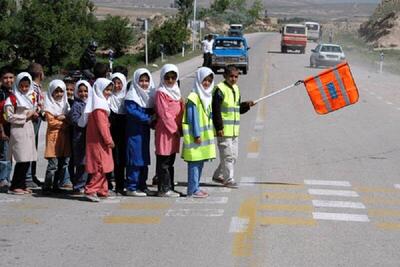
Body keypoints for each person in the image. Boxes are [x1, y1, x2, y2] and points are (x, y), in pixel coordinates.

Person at [212, 65, 255, 188]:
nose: (233, 79)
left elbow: (237, 109)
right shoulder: (219, 90)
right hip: (224, 131)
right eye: (231, 76)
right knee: (228, 156)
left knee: (233, 156)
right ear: (224, 76)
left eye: (236, 76)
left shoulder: (236, 89)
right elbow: (216, 111)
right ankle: (228, 179)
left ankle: (218, 175)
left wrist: (247, 105)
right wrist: (219, 128)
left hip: (234, 131)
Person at [182, 67, 216, 198]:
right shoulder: (193, 97)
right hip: (196, 137)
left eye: (209, 80)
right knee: (194, 164)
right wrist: (196, 134)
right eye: (204, 80)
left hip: (204, 137)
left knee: (200, 162)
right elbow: (192, 118)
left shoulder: (207, 95)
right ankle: (192, 189)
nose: (206, 83)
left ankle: (196, 187)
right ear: (198, 80)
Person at [4, 72, 38, 194]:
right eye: (21, 86)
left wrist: (34, 114)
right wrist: (25, 117)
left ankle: (22, 184)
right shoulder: (12, 98)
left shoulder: (30, 96)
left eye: (26, 86)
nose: (24, 88)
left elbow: (33, 109)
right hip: (18, 130)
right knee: (21, 159)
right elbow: (9, 116)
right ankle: (15, 186)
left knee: (27, 159)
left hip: (28, 129)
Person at [81, 78, 114, 202]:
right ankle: (91, 190)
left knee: (104, 166)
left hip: (99, 141)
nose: (108, 92)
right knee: (100, 166)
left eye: (110, 90)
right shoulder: (99, 106)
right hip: (99, 142)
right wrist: (108, 140)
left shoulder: (99, 103)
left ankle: (102, 189)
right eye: (106, 90)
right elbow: (102, 126)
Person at [125, 68, 156, 197]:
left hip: (144, 133)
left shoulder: (148, 96)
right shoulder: (131, 96)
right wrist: (148, 119)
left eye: (146, 81)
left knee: (144, 159)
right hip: (134, 133)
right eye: (141, 81)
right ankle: (132, 187)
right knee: (134, 159)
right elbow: (133, 112)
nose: (144, 83)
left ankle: (142, 185)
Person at [154, 64, 184, 197]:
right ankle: (163, 189)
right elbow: (164, 113)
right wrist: (174, 129)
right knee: (164, 160)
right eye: (167, 78)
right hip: (166, 132)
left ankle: (170, 187)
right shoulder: (161, 92)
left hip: (174, 132)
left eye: (173, 77)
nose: (170, 81)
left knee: (170, 161)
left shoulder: (176, 92)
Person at [42, 80, 71, 194]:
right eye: (56, 91)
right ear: (51, 92)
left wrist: (63, 119)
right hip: (53, 139)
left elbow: (70, 120)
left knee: (62, 164)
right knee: (52, 164)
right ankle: (47, 186)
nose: (59, 94)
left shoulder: (66, 105)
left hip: (64, 139)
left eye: (61, 91)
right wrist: (64, 122)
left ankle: (56, 186)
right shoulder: (48, 105)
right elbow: (51, 122)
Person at [68, 80, 91, 195]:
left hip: (90, 137)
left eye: (86, 91)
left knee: (88, 162)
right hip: (80, 137)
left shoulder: (91, 103)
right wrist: (85, 120)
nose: (83, 94)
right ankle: (78, 185)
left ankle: (87, 184)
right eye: (80, 91)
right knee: (81, 162)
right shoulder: (76, 105)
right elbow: (74, 120)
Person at [26, 62, 45, 188]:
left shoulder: (37, 87)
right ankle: (27, 177)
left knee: (34, 148)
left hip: (36, 119)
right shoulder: (31, 88)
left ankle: (32, 175)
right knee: (29, 148)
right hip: (32, 119)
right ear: (39, 74)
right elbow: (30, 102)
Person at [109, 72, 127, 194]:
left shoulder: (127, 98)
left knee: (122, 159)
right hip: (111, 134)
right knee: (112, 159)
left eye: (119, 83)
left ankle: (121, 185)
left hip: (125, 133)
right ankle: (109, 184)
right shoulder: (108, 98)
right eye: (114, 83)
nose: (116, 86)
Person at [0, 66, 14, 192]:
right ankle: (3, 180)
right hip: (3, 129)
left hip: (12, 129)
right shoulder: (1, 94)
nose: (8, 80)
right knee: (4, 157)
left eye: (10, 77)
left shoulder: (13, 92)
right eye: (5, 78)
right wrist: (2, 131)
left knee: (9, 156)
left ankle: (7, 179)